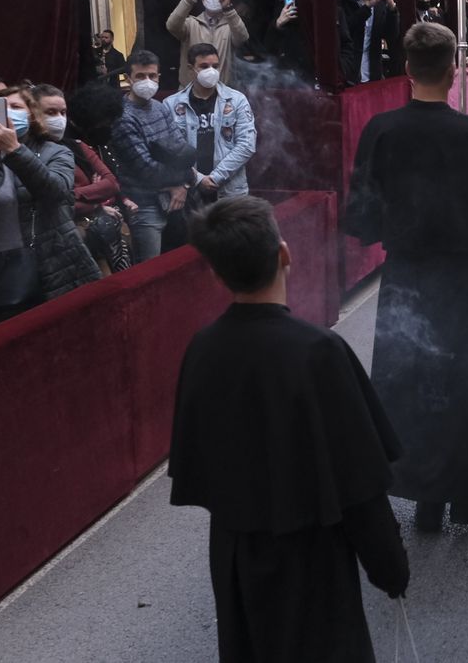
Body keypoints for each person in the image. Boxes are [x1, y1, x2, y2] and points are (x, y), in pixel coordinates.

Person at [169, 196, 408, 663]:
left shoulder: (202, 350)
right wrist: (389, 568)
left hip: (236, 558)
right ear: (284, 254)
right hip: (312, 561)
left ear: (217, 274)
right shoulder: (319, 352)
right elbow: (359, 486)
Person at [342, 22, 468, 532]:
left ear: (407, 70)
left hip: (406, 276)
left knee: (413, 379)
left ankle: (427, 493)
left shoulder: (380, 131)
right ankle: (464, 491)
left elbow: (361, 217)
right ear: (453, 71)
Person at [0, 85, 100, 324]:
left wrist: (15, 150)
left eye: (17, 107)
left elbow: (57, 193)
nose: (10, 114)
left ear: (31, 114)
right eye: (3, 108)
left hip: (51, 264)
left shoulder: (56, 151)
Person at [32, 84, 129, 275]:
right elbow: (45, 205)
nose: (59, 119)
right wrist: (95, 201)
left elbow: (111, 184)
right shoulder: (28, 156)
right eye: (51, 112)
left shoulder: (77, 145)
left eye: (63, 112)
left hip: (97, 235)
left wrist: (68, 195)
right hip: (57, 245)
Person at [109, 51, 195, 263]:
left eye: (152, 76)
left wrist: (183, 185)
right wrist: (185, 178)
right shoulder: (122, 116)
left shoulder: (160, 107)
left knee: (178, 265)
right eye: (140, 76)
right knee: (149, 270)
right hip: (145, 206)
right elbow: (146, 169)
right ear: (128, 79)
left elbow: (183, 150)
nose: (147, 81)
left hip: (174, 201)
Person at [163, 44, 258, 205]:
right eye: (204, 66)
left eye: (215, 66)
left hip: (230, 190)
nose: (211, 71)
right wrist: (198, 179)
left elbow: (247, 144)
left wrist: (215, 177)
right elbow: (170, 150)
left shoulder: (236, 100)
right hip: (189, 191)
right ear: (191, 68)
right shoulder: (171, 104)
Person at [168, 0, 251, 89]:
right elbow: (172, 25)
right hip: (189, 92)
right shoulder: (191, 24)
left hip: (221, 92)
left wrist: (228, 8)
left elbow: (242, 38)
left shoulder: (230, 26)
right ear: (203, 0)